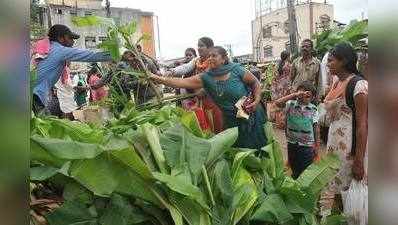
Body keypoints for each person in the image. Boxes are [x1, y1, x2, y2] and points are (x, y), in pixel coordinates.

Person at [151, 46, 267, 150]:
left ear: (223, 59)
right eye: (209, 56)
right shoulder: (206, 78)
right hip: (232, 123)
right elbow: (181, 82)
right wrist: (159, 78)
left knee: (258, 151)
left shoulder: (236, 70)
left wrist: (256, 101)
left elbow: (255, 83)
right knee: (239, 152)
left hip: (252, 117)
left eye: (214, 55)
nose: (210, 58)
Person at [319, 43, 368, 221]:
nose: (327, 64)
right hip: (335, 147)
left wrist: (359, 161)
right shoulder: (336, 82)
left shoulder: (359, 85)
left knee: (352, 196)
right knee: (339, 192)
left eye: (331, 61)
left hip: (350, 151)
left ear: (344, 61)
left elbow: (363, 125)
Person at [32, 24, 112, 115]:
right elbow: (91, 55)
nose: (73, 42)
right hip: (35, 95)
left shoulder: (46, 49)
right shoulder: (60, 50)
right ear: (61, 38)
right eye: (70, 38)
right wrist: (118, 54)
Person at [166, 37, 224, 133]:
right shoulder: (196, 61)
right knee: (204, 127)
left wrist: (205, 89)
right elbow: (186, 67)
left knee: (217, 126)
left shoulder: (214, 61)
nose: (198, 48)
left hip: (214, 100)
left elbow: (218, 79)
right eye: (198, 45)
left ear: (210, 48)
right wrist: (171, 71)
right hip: (200, 100)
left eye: (202, 46)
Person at [274, 81, 320, 179]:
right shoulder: (290, 105)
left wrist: (316, 145)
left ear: (312, 98)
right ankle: (295, 185)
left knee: (306, 171)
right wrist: (294, 95)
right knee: (294, 169)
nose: (303, 97)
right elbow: (278, 103)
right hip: (292, 143)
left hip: (307, 146)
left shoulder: (313, 109)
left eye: (308, 96)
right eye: (301, 94)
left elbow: (316, 129)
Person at [272, 50, 292, 129]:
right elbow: (290, 77)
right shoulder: (288, 65)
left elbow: (274, 79)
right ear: (287, 57)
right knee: (285, 105)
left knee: (278, 106)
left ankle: (278, 123)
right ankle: (284, 123)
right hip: (285, 87)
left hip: (277, 88)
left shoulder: (277, 65)